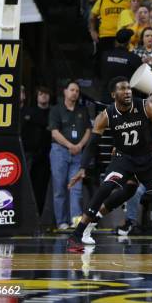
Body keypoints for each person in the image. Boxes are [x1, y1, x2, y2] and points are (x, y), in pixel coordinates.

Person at [66, 77, 152, 251]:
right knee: (105, 188)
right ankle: (77, 234)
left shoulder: (145, 106)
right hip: (124, 159)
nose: (127, 91)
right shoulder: (105, 116)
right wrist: (82, 168)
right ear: (113, 94)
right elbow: (92, 144)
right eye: (122, 89)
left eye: (129, 88)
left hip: (150, 157)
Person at [48, 80, 91, 229]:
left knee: (76, 188)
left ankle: (75, 220)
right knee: (59, 188)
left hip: (78, 153)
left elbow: (88, 130)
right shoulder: (56, 110)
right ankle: (61, 222)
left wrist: (79, 145)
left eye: (77, 91)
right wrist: (70, 145)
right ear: (65, 91)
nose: (75, 93)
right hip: (60, 151)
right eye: (72, 90)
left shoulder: (82, 110)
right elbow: (54, 131)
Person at [21, 86, 52, 215]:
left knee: (41, 187)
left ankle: (36, 215)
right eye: (41, 94)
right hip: (28, 154)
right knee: (26, 186)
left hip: (46, 155)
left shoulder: (53, 112)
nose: (43, 96)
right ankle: (25, 214)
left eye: (46, 94)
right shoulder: (28, 111)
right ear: (36, 96)